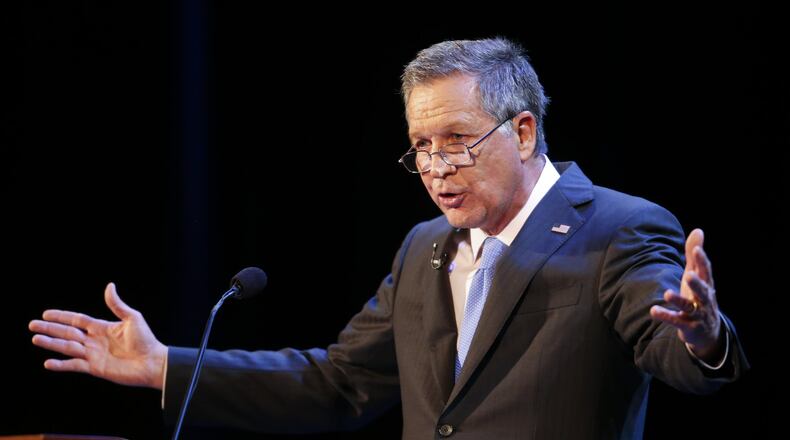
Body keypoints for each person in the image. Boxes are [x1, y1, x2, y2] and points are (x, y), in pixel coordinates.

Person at [29, 38, 748, 439]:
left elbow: (672, 343)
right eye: (420, 147)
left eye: (457, 141)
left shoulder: (617, 228)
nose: (435, 169)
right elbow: (336, 384)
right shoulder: (423, 247)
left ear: (524, 131)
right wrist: (165, 366)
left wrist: (702, 336)